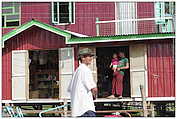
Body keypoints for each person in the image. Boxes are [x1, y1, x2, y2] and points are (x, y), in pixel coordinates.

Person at [67, 48, 98, 117]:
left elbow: (70, 89)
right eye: (89, 56)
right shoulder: (85, 70)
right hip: (86, 108)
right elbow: (94, 89)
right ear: (82, 58)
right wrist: (94, 96)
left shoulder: (77, 71)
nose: (91, 58)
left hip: (77, 110)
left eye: (91, 56)